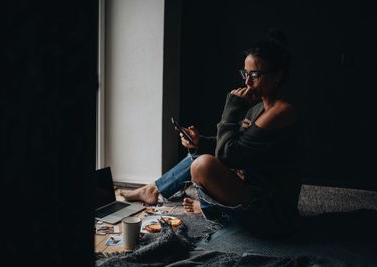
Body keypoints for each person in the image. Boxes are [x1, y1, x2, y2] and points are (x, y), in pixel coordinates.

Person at [121, 29, 302, 236]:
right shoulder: (257, 108)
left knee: (203, 165)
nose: (247, 83)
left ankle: (210, 210)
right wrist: (199, 142)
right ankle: (153, 190)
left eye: (255, 75)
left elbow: (228, 155)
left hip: (273, 213)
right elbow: (235, 145)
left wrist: (232, 106)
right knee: (197, 154)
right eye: (245, 73)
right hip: (251, 193)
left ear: (277, 76)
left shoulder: (281, 112)